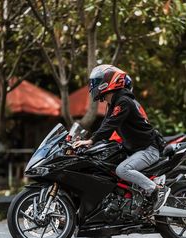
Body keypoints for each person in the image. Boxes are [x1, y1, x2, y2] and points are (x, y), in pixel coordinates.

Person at [73, 64, 171, 212]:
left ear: (108, 82)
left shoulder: (124, 101)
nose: (93, 85)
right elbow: (105, 125)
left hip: (148, 149)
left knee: (122, 170)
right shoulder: (113, 104)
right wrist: (88, 141)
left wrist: (91, 140)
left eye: (96, 81)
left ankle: (156, 190)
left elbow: (111, 125)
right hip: (135, 150)